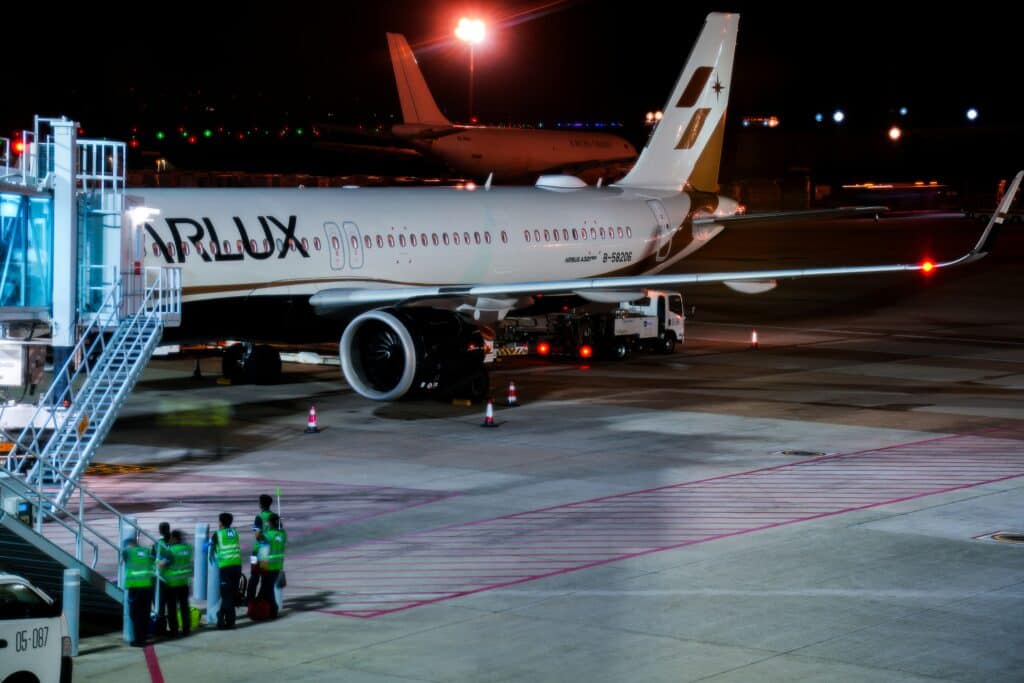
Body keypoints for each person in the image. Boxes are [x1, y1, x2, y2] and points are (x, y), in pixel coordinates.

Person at [209, 512, 242, 629]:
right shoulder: (235, 533)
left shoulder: (217, 534)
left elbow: (210, 546)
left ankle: (228, 620)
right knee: (231, 594)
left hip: (226, 567)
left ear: (221, 522)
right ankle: (223, 616)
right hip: (237, 566)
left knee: (226, 594)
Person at [122, 535, 154, 647]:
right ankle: (144, 637)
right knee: (145, 613)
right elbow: (152, 562)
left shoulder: (128, 552)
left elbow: (124, 559)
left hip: (135, 587)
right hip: (148, 586)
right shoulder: (146, 551)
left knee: (135, 614)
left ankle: (139, 640)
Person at [162, 529, 193, 637]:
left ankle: (174, 630)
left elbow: (162, 564)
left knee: (172, 608)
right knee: (184, 606)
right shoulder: (188, 548)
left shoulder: (171, 550)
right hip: (184, 581)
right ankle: (186, 629)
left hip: (173, 583)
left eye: (171, 538)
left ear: (174, 538)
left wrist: (157, 562)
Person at [246, 494, 275, 606]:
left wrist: (263, 537)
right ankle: (262, 597)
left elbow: (257, 535)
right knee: (265, 575)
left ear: (261, 504)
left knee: (254, 574)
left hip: (258, 550)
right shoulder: (274, 517)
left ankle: (250, 598)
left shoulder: (259, 517)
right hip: (268, 551)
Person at [256, 512, 286, 619]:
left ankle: (271, 610)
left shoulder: (268, 535)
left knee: (266, 589)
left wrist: (261, 530)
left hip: (267, 566)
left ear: (270, 522)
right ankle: (271, 610)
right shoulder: (282, 534)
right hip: (278, 566)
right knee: (268, 589)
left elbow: (259, 538)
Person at [153, 522, 173, 635]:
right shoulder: (173, 542)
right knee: (171, 604)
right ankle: (173, 628)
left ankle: (161, 628)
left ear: (159, 531)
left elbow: (152, 558)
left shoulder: (158, 543)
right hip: (173, 578)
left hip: (161, 577)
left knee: (159, 605)